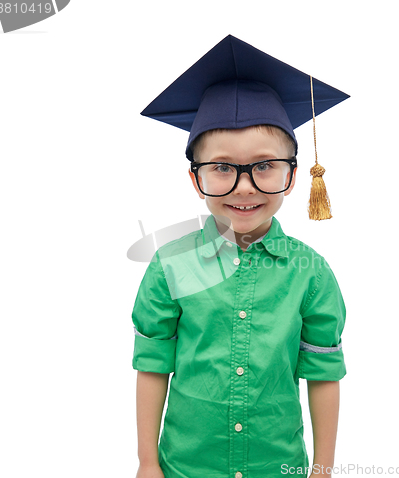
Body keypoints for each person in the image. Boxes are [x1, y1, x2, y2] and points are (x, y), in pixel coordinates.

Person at [132, 35, 349, 478]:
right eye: (222, 167)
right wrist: (147, 462)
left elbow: (323, 373)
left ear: (292, 175)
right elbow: (154, 366)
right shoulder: (170, 265)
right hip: (186, 467)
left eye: (265, 166)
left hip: (277, 465)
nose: (245, 187)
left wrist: (324, 469)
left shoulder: (311, 273)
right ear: (196, 179)